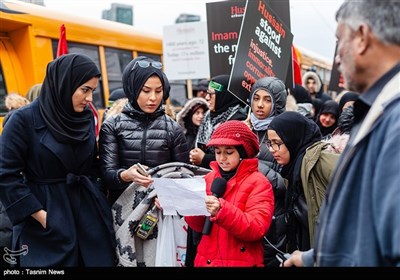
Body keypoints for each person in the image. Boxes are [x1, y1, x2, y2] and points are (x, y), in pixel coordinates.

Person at [284, 0, 400, 267]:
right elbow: (363, 224)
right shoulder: (379, 109)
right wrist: (314, 258)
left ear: (362, 38)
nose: (337, 56)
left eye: (340, 41)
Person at [0, 54, 116, 267]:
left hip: (88, 216)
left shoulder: (85, 117)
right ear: (65, 84)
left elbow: (92, 165)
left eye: (92, 91)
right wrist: (41, 215)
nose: (90, 99)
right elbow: (5, 175)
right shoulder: (23, 119)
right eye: (85, 90)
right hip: (44, 218)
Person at [99, 56, 190, 205]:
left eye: (159, 91)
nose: (153, 98)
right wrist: (125, 175)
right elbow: (106, 176)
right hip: (121, 210)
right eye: (146, 91)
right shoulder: (112, 125)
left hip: (161, 211)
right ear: (133, 89)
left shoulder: (173, 128)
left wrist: (169, 196)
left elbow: (184, 175)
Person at [185, 120, 274, 267]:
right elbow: (199, 226)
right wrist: (187, 207)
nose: (222, 158)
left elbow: (257, 228)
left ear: (243, 152)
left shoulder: (259, 183)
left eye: (229, 152)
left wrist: (222, 210)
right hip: (207, 260)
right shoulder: (208, 179)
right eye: (218, 152)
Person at [267, 111, 322, 253]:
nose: (272, 150)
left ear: (293, 139)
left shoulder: (319, 162)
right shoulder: (290, 170)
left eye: (277, 143)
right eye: (270, 143)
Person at [190, 74, 247, 168]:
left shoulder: (238, 120)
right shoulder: (207, 116)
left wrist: (204, 159)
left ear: (223, 96)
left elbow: (238, 159)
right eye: (207, 93)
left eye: (211, 94)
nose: (207, 97)